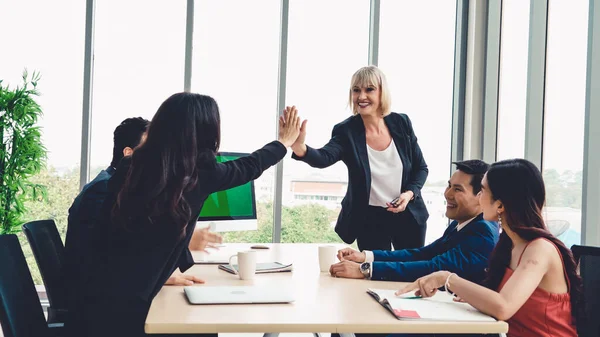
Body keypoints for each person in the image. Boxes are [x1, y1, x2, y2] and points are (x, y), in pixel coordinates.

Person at [64, 93, 302, 337]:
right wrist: (283, 143)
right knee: (202, 327)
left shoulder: (129, 166)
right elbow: (249, 166)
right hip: (125, 317)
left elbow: (121, 238)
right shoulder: (200, 174)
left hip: (95, 305)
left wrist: (165, 270)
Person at [397, 159, 582, 337]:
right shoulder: (509, 244)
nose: (478, 197)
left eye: (483, 191)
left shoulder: (540, 249)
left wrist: (447, 279)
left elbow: (504, 306)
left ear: (500, 205)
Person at [64, 117, 219, 292]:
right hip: (95, 299)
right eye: (151, 150)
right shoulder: (104, 190)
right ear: (129, 154)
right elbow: (109, 256)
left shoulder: (115, 185)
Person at [290, 65, 429, 251]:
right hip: (370, 220)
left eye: (369, 89)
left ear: (382, 93)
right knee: (375, 274)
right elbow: (324, 157)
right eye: (356, 90)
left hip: (408, 214)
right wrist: (300, 148)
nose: (361, 96)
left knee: (411, 271)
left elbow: (421, 168)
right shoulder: (346, 131)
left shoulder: (401, 123)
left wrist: (408, 194)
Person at [330, 160, 498, 285]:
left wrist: (364, 270)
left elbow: (434, 267)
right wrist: (365, 256)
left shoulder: (482, 232)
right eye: (449, 186)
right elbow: (424, 254)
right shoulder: (463, 223)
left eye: (458, 189)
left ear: (480, 195)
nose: (447, 194)